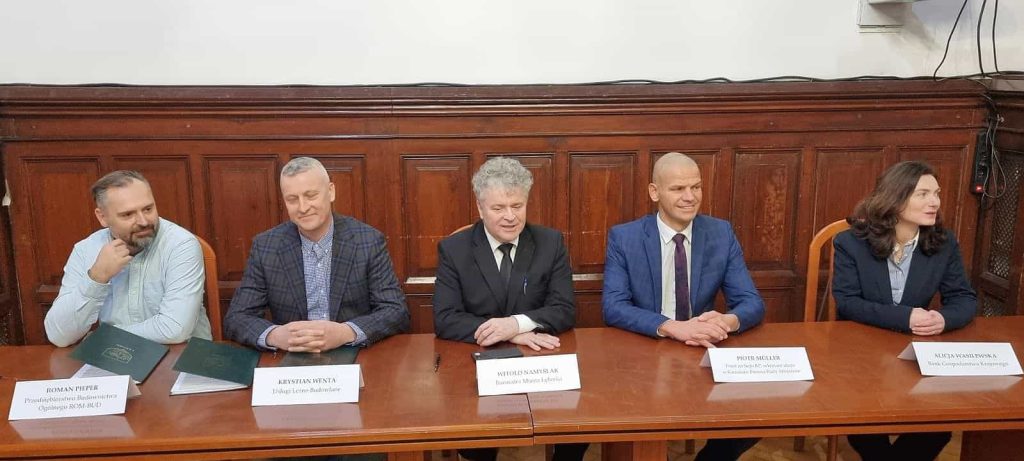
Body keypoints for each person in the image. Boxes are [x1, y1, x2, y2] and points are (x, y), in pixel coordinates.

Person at [602, 152, 763, 461]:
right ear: (654, 192)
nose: (690, 197)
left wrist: (726, 321)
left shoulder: (720, 233)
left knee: (762, 408)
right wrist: (672, 327)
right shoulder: (625, 237)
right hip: (645, 351)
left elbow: (751, 301)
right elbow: (613, 306)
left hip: (701, 349)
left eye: (696, 187)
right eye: (678, 189)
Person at [433, 157, 587, 461]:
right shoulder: (454, 249)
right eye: (498, 208)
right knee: (476, 438)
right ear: (480, 208)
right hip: (478, 361)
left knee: (576, 427)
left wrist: (516, 324)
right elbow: (445, 318)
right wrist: (508, 332)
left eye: (517, 206)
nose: (510, 217)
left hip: (539, 362)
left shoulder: (550, 243)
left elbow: (564, 309)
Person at [833, 160, 976, 460]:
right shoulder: (851, 242)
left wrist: (943, 319)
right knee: (865, 427)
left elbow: (963, 298)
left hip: (916, 353)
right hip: (860, 354)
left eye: (936, 193)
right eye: (923, 194)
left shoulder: (944, 243)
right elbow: (847, 301)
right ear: (895, 198)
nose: (934, 202)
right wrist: (905, 316)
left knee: (938, 428)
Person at [224, 157, 409, 351]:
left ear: (331, 192)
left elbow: (395, 311)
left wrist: (346, 332)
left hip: (353, 351)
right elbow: (237, 317)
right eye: (292, 199)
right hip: (291, 355)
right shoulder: (266, 247)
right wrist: (275, 335)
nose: (303, 208)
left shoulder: (368, 241)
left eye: (311, 195)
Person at [44, 170, 212, 347]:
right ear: (102, 217)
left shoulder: (181, 244)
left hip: (181, 355)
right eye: (127, 214)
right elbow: (59, 336)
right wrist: (97, 277)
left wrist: (103, 338)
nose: (143, 221)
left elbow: (175, 329)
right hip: (114, 356)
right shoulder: (86, 250)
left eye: (148, 209)